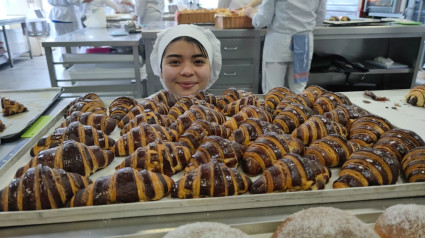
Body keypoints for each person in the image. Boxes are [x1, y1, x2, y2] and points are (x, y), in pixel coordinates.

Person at [245, 0, 327, 94]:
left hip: (279, 43)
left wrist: (250, 12)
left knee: (274, 93)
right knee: (298, 92)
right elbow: (320, 19)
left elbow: (262, 20)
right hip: (303, 42)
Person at [150, 24, 222, 96]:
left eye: (198, 61)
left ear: (210, 68)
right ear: (161, 70)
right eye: (175, 62)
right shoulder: (146, 107)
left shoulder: (222, 106)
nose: (187, 72)